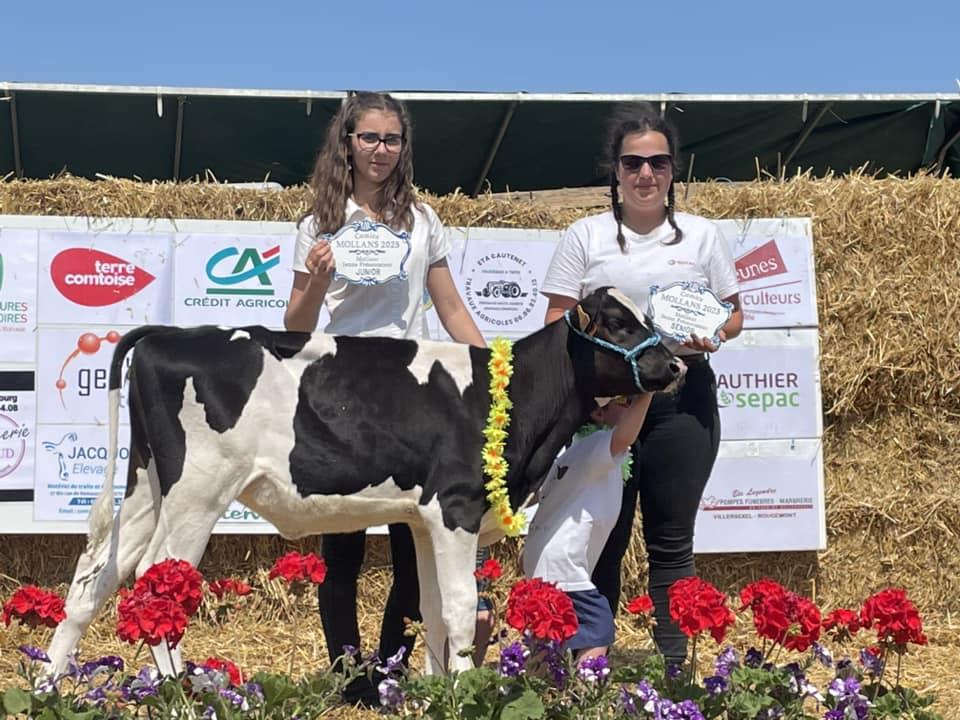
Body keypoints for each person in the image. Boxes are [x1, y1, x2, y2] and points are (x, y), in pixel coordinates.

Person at [284, 91, 487, 705]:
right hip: (342, 393)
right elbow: (295, 326)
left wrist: (489, 370)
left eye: (392, 140)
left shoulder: (423, 221)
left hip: (409, 393)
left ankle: (393, 671)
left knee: (415, 546)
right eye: (369, 138)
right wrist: (316, 284)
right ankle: (350, 682)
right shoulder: (318, 221)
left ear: (404, 147)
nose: (381, 150)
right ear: (346, 142)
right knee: (341, 546)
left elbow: (450, 307)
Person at [540, 103, 743, 663]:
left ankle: (677, 672)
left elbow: (732, 315)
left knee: (672, 545)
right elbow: (557, 321)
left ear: (674, 170)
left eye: (658, 162)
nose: (646, 174)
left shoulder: (702, 237)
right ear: (616, 170)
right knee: (599, 540)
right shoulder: (585, 235)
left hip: (683, 401)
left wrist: (713, 337)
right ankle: (590, 672)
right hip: (606, 407)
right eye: (633, 163)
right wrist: (595, 393)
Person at [522, 394, 652, 660]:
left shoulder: (572, 451)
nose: (631, 406)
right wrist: (648, 391)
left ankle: (532, 693)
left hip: (546, 558)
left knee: (548, 635)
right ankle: (583, 694)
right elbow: (624, 436)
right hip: (564, 563)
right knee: (598, 627)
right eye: (624, 402)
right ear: (598, 414)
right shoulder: (596, 446)